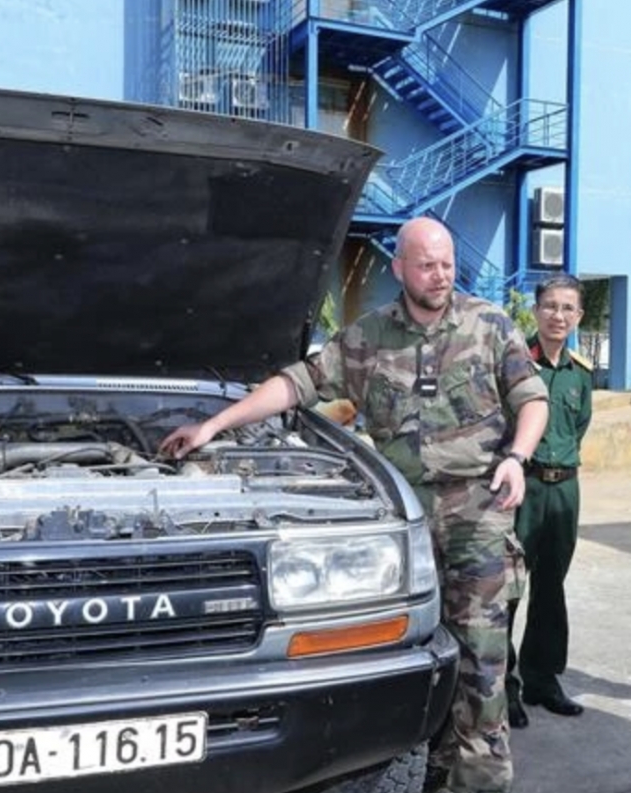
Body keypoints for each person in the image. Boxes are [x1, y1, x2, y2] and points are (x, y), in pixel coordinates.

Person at [159, 216, 550, 793]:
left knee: (481, 668)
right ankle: (430, 774)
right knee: (410, 664)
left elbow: (532, 398)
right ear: (399, 268)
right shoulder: (367, 337)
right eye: (426, 264)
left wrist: (517, 455)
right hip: (399, 526)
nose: (440, 275)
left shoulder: (489, 325)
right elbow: (296, 384)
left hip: (477, 516)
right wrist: (213, 425)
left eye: (446, 263)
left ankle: (482, 783)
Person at [505, 274, 593, 727]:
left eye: (568, 308)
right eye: (550, 306)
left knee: (551, 586)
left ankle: (543, 679)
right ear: (536, 311)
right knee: (509, 588)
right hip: (524, 486)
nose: (558, 315)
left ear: (579, 317)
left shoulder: (581, 372)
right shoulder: (516, 364)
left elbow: (577, 427)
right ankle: (504, 685)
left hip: (565, 489)